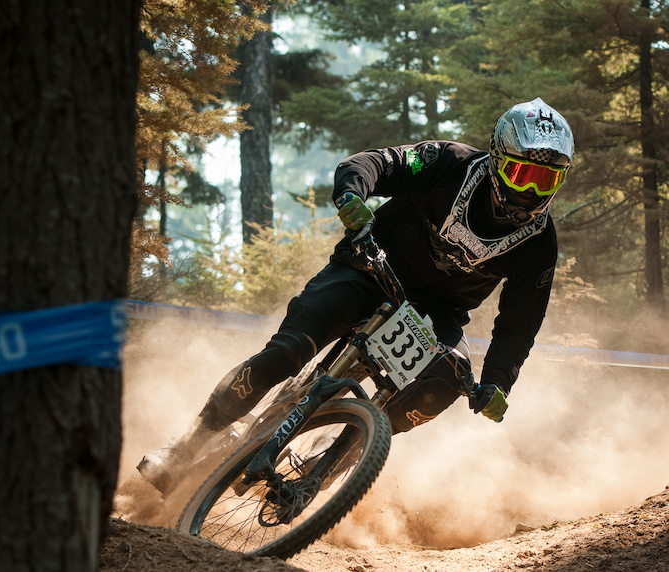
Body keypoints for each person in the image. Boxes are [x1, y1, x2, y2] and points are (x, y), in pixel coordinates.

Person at [138, 97, 574, 494]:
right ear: (499, 159)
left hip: (436, 311)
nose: (531, 192)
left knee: (443, 384)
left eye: (546, 180)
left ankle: (330, 465)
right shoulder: (449, 163)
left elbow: (520, 324)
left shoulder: (539, 244)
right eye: (523, 174)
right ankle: (184, 447)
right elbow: (376, 163)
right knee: (286, 353)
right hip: (370, 266)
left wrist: (497, 381)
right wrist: (352, 194)